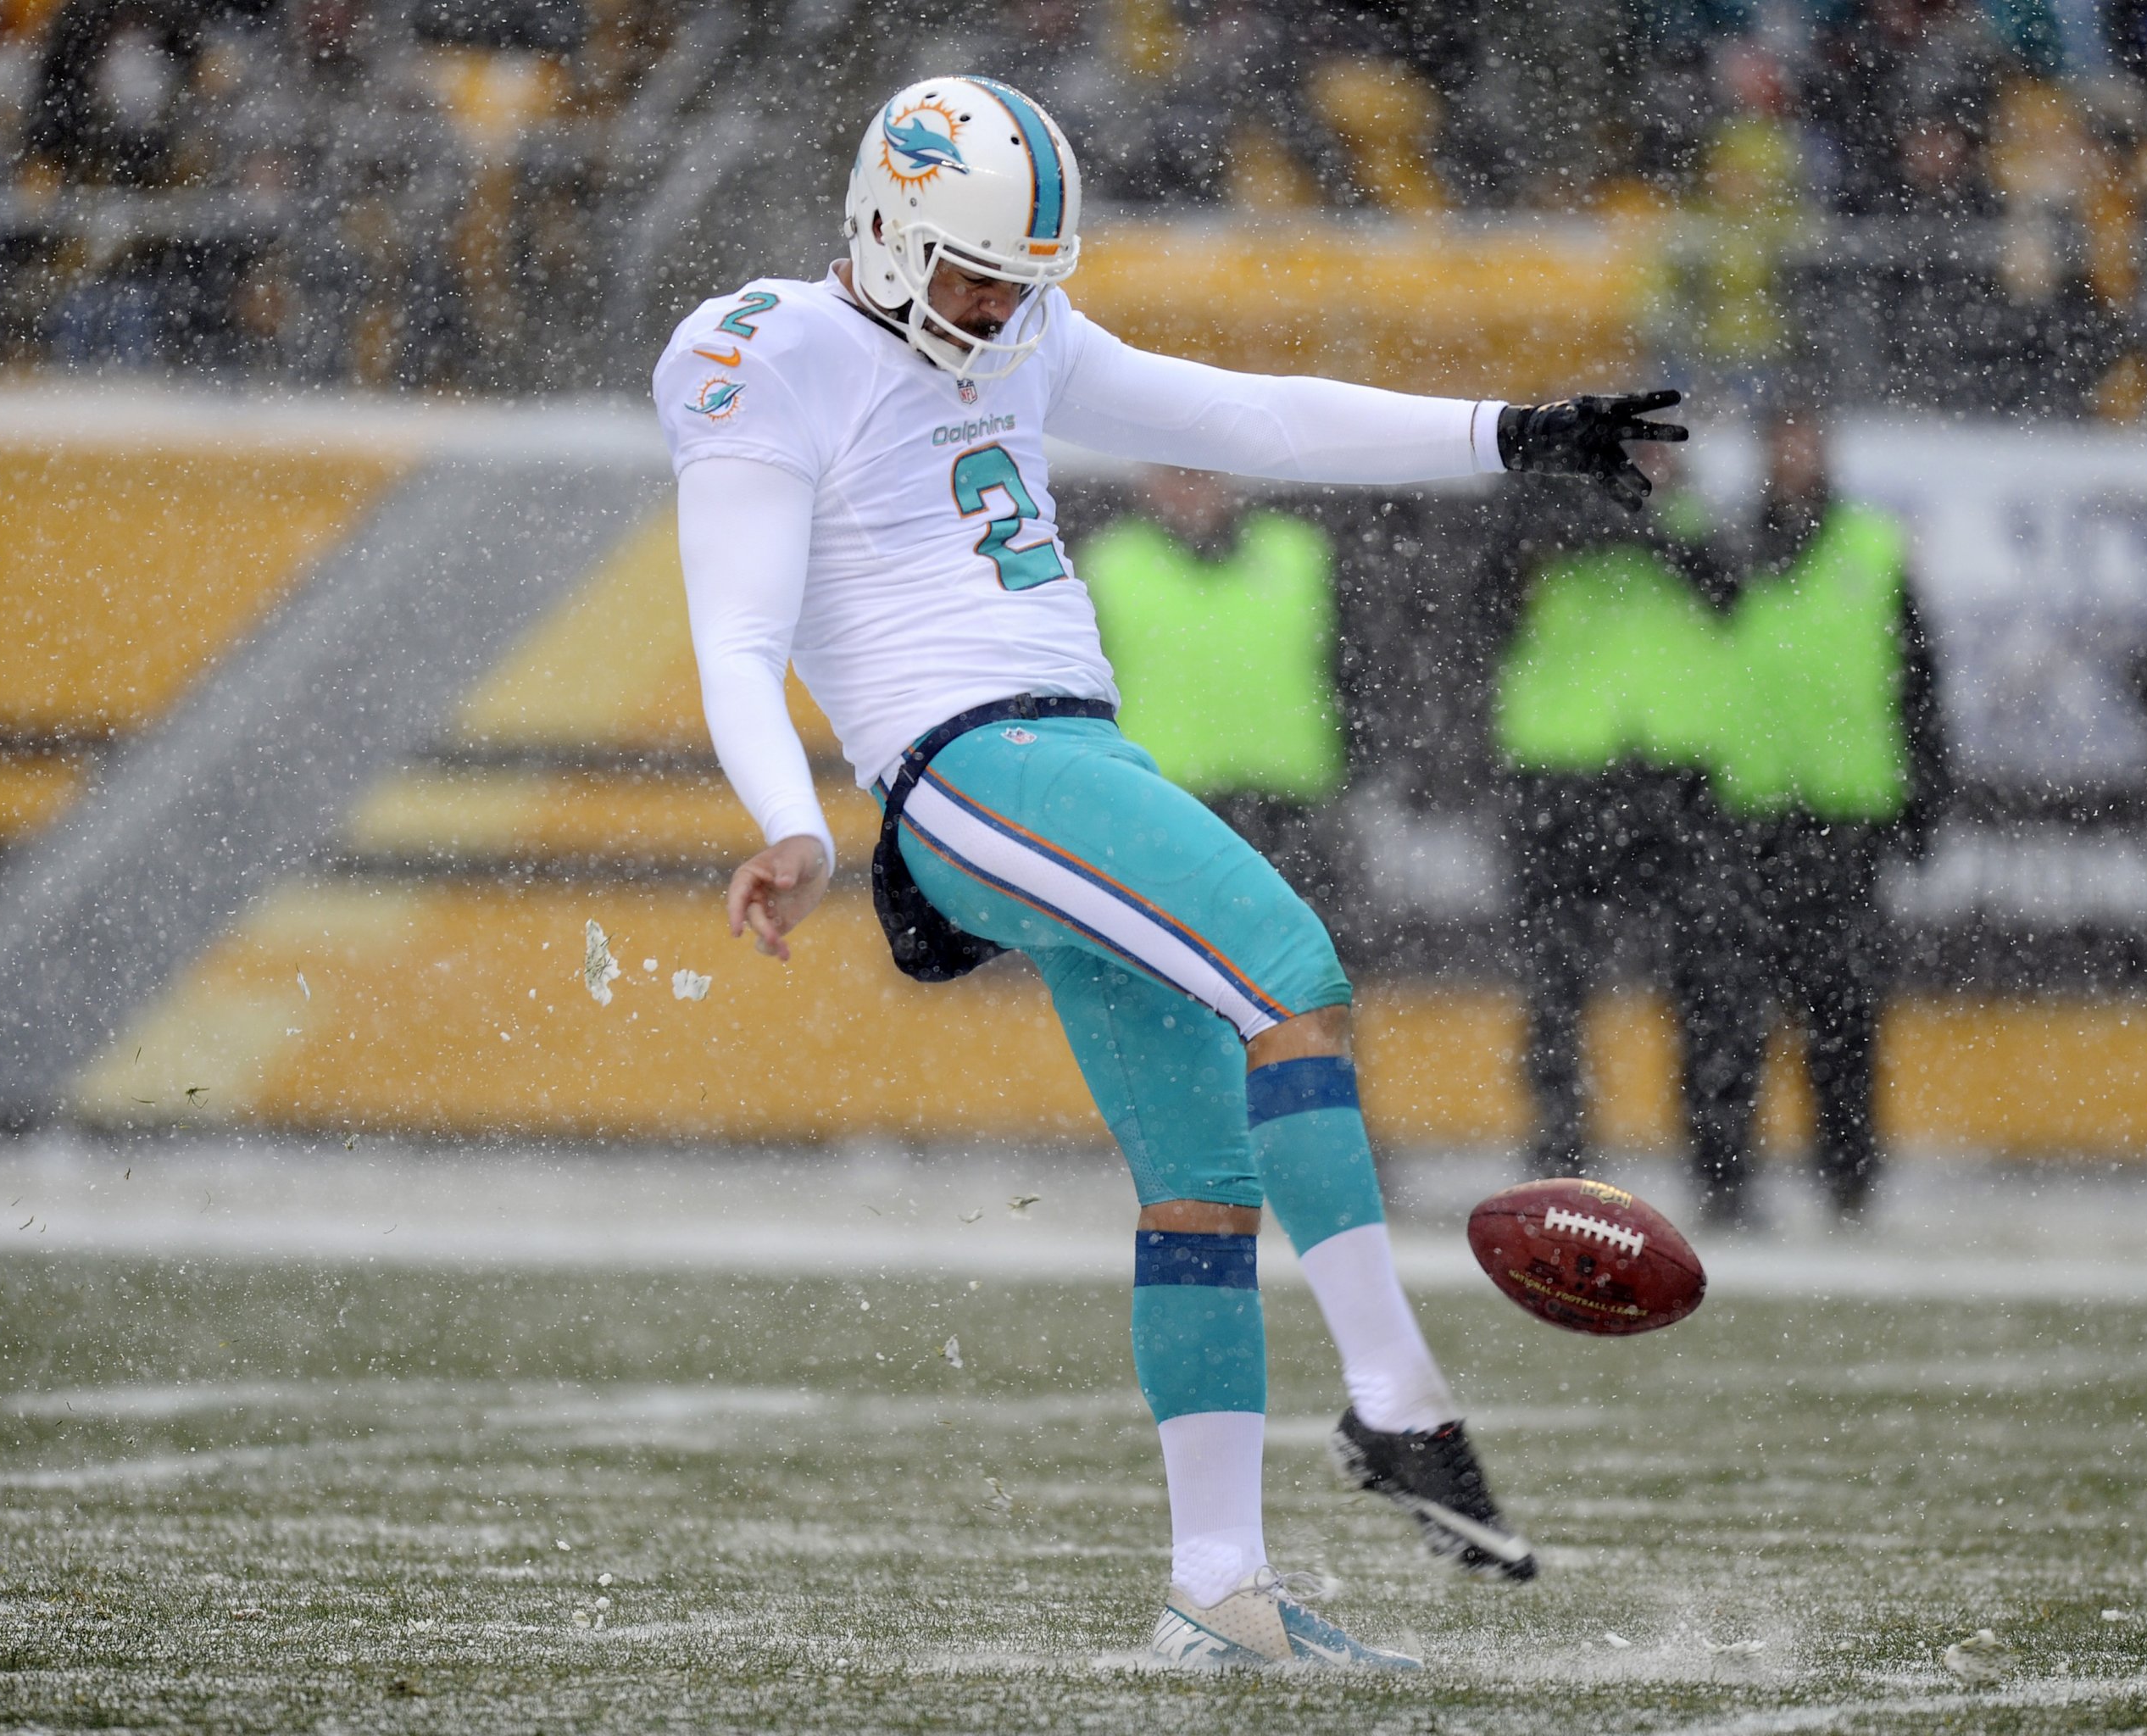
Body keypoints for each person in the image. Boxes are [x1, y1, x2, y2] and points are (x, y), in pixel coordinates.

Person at [651, 75, 1686, 1669]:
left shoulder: (1022, 332)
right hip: (972, 762)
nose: (999, 312)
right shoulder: (767, 350)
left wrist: (1512, 433)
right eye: (976, 274)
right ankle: (1398, 1396)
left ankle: (1220, 1588)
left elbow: (1250, 412)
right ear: (882, 221)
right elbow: (736, 620)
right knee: (1294, 971)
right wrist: (785, 814)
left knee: (1204, 1183)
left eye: (1024, 284)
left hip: (1074, 759)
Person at [1677, 397, 1945, 1227]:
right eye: (1781, 440)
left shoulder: (1871, 545)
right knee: (1725, 1008)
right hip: (1743, 810)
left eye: (1806, 439)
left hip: (1842, 815)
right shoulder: (1720, 544)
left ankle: (1848, 1175)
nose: (1794, 455)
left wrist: (1924, 798)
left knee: (1841, 1013)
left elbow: (1917, 683)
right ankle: (1724, 1176)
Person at [1493, 449, 1738, 1181]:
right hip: (1562, 772)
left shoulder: (1700, 522)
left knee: (1710, 979)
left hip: (1672, 770)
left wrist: (1648, 528)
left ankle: (1721, 1163)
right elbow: (1487, 610)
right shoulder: (1535, 521)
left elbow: (1732, 593)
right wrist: (1569, 521)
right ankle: (1557, 1151)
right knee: (1555, 983)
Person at [1076, 466, 1344, 908]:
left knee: (1303, 960)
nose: (1190, 491)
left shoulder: (1300, 552)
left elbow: (1353, 667)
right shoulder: (1104, 563)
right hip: (1161, 799)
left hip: (1288, 798)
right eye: (1174, 474)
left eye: (1200, 473)